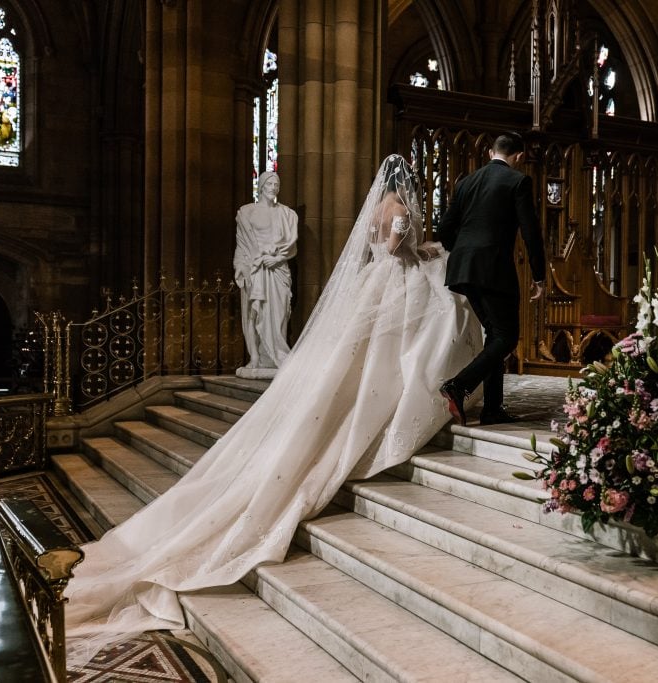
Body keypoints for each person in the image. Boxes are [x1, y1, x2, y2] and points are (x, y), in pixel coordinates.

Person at [61, 155, 482, 661]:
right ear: (404, 186)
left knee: (362, 367)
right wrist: (420, 245)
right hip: (396, 283)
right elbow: (396, 248)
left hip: (379, 285)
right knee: (404, 352)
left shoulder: (378, 206)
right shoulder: (398, 209)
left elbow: (379, 248)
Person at [437, 132, 547, 425]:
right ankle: (458, 385)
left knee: (495, 335)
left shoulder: (466, 182)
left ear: (490, 152)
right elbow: (530, 231)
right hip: (494, 268)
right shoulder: (518, 181)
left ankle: (492, 408)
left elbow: (445, 227)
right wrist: (539, 275)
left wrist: (461, 251)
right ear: (519, 157)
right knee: (507, 337)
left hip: (463, 267)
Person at [233, 171, 297, 374]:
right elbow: (242, 245)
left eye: (277, 184)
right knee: (253, 312)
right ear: (261, 186)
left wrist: (277, 258)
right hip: (254, 268)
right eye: (270, 184)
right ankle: (254, 357)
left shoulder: (287, 214)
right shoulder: (246, 212)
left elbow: (292, 247)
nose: (274, 187)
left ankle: (276, 354)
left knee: (280, 313)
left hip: (278, 269)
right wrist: (241, 268)